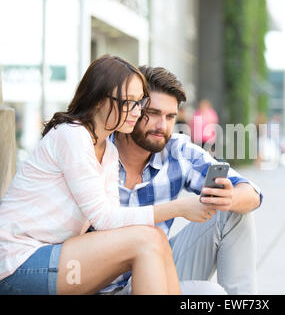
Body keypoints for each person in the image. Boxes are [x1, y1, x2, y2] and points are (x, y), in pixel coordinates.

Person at [0, 55, 181, 295]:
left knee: (155, 236)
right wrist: (180, 208)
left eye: (140, 102)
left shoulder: (109, 151)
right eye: (128, 102)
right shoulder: (72, 135)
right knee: (145, 240)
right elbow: (104, 218)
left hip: (53, 258)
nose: (136, 112)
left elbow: (112, 224)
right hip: (17, 264)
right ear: (97, 100)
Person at [99, 66, 263, 295]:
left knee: (231, 210)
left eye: (170, 117)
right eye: (153, 113)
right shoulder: (97, 151)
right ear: (132, 109)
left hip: (157, 270)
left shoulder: (177, 150)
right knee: (210, 295)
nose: (162, 126)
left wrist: (230, 196)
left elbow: (252, 193)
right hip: (102, 284)